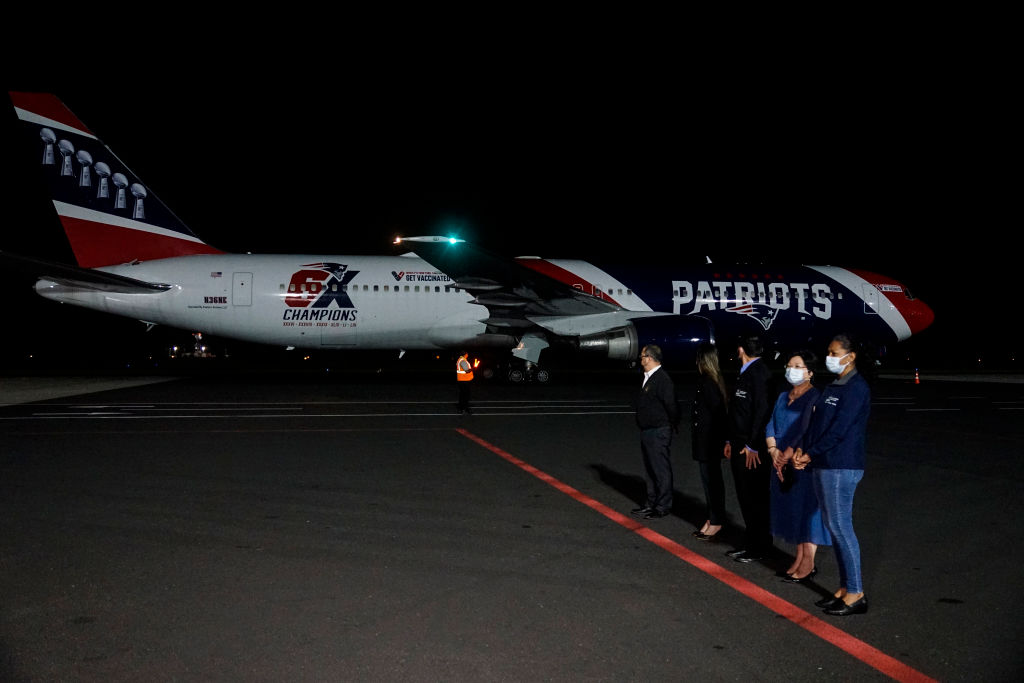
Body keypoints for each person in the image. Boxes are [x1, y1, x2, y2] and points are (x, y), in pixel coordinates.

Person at [793, 333, 872, 616]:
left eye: (834, 352)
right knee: (834, 527)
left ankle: (856, 593)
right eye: (828, 351)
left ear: (850, 356)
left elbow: (839, 430)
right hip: (824, 463)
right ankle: (845, 588)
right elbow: (817, 423)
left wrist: (811, 453)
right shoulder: (835, 385)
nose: (830, 357)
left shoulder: (856, 388)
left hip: (841, 464)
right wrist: (805, 451)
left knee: (841, 527)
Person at [765, 350, 830, 583]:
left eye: (797, 366)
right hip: (780, 459)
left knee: (807, 511)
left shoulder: (815, 396)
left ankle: (808, 562)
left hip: (801, 462)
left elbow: (805, 429)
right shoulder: (783, 396)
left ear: (810, 372)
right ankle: (799, 556)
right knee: (792, 510)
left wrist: (787, 454)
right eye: (789, 365)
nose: (791, 369)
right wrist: (773, 451)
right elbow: (771, 424)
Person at [723, 335, 773, 563]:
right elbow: (737, 412)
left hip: (750, 448)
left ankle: (760, 547)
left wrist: (753, 444)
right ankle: (752, 542)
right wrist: (728, 440)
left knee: (755, 499)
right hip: (739, 442)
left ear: (741, 349)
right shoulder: (746, 372)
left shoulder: (759, 373)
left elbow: (762, 412)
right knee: (745, 497)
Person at [631, 344, 680, 520]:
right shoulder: (648, 377)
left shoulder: (662, 379)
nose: (640, 359)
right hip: (647, 430)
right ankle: (651, 502)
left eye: (642, 356)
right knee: (650, 469)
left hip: (658, 430)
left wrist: (669, 425)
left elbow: (671, 405)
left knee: (660, 469)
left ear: (650, 358)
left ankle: (663, 505)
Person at [691, 342, 729, 541]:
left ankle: (716, 520)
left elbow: (718, 416)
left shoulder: (709, 383)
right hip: (708, 442)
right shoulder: (711, 381)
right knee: (709, 483)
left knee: (712, 483)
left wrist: (722, 441)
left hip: (709, 443)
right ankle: (712, 517)